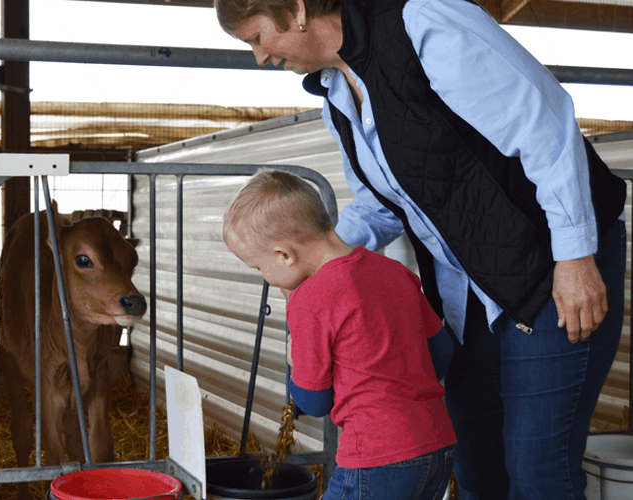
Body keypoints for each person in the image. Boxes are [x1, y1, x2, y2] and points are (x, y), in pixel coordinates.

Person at [214, 0, 628, 499]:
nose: (259, 58)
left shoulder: (423, 22)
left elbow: (544, 124)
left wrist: (576, 256)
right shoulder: (337, 95)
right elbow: (383, 203)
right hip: (470, 293)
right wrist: (323, 266)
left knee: (537, 470)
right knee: (477, 469)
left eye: (256, 39)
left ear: (296, 10)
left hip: (548, 270)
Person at [223, 169, 457, 500]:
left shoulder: (309, 300)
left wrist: (295, 361)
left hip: (375, 458)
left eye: (258, 269)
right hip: (438, 446)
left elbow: (312, 401)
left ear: (284, 255)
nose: (264, 277)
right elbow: (442, 352)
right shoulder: (394, 272)